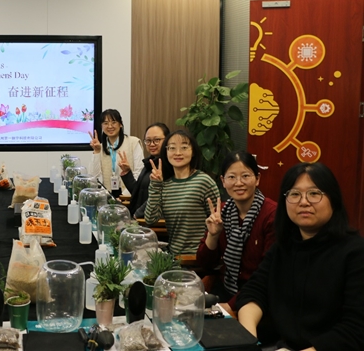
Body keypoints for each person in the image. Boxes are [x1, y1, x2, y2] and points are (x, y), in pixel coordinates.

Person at [237, 162, 364, 351]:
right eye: (295, 194)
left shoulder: (355, 252)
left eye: (314, 193)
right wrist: (249, 341)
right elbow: (253, 292)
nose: (304, 202)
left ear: (333, 199)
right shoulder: (283, 247)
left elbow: (355, 330)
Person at [196, 151, 276, 309]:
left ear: (257, 179)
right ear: (223, 181)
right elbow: (205, 264)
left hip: (257, 296)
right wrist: (213, 235)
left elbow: (268, 274)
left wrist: (229, 306)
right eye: (231, 177)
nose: (238, 183)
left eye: (245, 176)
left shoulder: (271, 215)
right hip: (226, 288)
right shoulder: (222, 212)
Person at [142, 129, 219, 255]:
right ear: (166, 152)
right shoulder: (165, 185)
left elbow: (218, 222)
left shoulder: (204, 182)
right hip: (174, 256)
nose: (178, 153)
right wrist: (155, 185)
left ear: (193, 151)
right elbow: (150, 219)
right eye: (172, 148)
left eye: (184, 147)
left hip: (197, 257)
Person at [119, 122, 170, 218]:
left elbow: (158, 196)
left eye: (157, 140)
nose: (152, 144)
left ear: (168, 140)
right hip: (139, 217)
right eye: (148, 141)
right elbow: (137, 192)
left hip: (151, 219)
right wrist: (127, 173)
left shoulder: (167, 164)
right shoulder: (149, 163)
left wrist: (137, 214)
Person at [88, 109, 143, 197]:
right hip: (107, 195)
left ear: (120, 124)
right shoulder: (100, 147)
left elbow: (139, 172)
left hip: (130, 194)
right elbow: (94, 176)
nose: (110, 126)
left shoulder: (133, 143)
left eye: (113, 122)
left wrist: (124, 196)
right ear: (102, 126)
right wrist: (97, 151)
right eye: (106, 123)